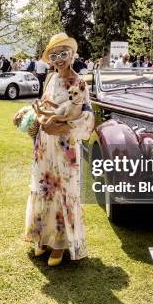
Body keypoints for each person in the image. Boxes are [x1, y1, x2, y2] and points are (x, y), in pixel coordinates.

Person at [24, 32, 94, 266]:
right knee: (44, 188)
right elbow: (45, 105)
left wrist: (63, 128)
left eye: (63, 53)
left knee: (63, 192)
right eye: (54, 55)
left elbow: (88, 119)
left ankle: (61, 244)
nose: (59, 59)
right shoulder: (51, 79)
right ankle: (44, 238)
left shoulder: (79, 83)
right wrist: (33, 116)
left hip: (65, 148)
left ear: (73, 54)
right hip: (44, 146)